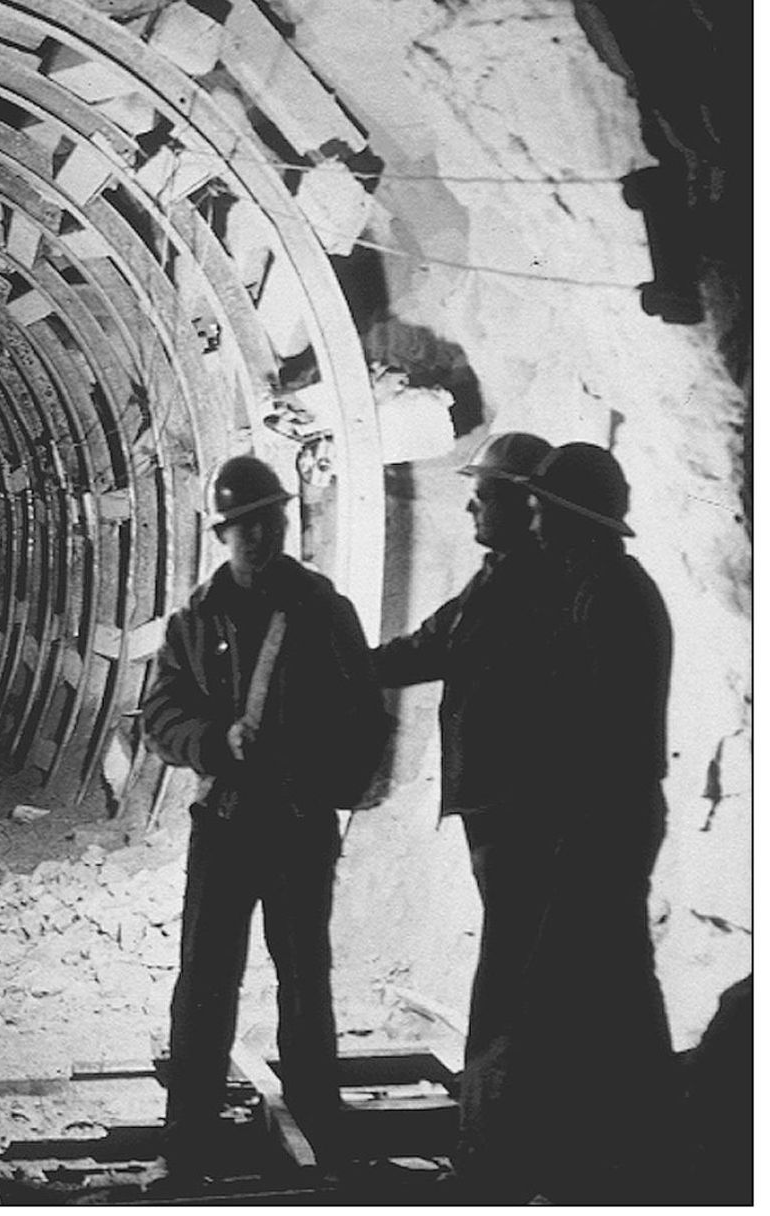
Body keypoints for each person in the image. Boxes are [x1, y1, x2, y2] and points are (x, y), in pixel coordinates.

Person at [142, 454, 389, 1186]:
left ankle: (319, 1128)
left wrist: (330, 786)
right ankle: (185, 1144)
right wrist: (216, 740)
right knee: (204, 983)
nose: (256, 535)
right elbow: (160, 712)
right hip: (223, 823)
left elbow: (364, 712)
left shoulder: (322, 609)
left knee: (304, 980)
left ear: (283, 524)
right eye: (242, 525)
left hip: (296, 824)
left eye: (267, 521)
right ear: (224, 533)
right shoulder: (195, 617)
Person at [370, 430, 557, 1198]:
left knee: (514, 975)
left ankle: (495, 1151)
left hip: (522, 812)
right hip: (495, 809)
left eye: (485, 491)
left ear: (525, 504)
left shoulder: (538, 587)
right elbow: (426, 647)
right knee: (515, 969)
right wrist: (341, 661)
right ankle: (497, 1137)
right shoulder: (498, 579)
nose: (472, 501)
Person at [515, 441, 677, 1202]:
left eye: (542, 510)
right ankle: (633, 1141)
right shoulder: (600, 586)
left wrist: (566, 822)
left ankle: (614, 1154)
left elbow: (599, 731)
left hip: (605, 815)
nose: (534, 523)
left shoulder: (609, 597)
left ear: (574, 521)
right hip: (608, 811)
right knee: (610, 973)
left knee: (580, 978)